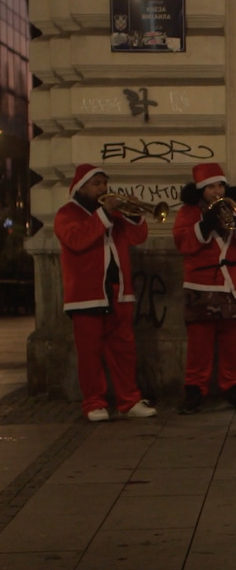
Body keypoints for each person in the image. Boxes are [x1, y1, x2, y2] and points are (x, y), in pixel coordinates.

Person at [55, 164, 158, 422]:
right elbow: (77, 240)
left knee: (124, 350)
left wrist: (134, 214)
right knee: (89, 354)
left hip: (118, 291)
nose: (103, 188)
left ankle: (129, 400)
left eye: (104, 183)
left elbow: (138, 237)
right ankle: (94, 403)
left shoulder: (114, 214)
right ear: (81, 188)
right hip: (86, 295)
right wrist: (103, 214)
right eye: (96, 183)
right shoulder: (67, 213)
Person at [173, 162, 236, 413]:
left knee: (233, 344)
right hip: (201, 286)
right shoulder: (189, 213)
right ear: (201, 190)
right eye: (211, 187)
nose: (217, 192)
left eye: (220, 186)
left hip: (235, 284)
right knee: (199, 345)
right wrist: (206, 224)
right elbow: (183, 244)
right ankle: (195, 391)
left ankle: (234, 387)